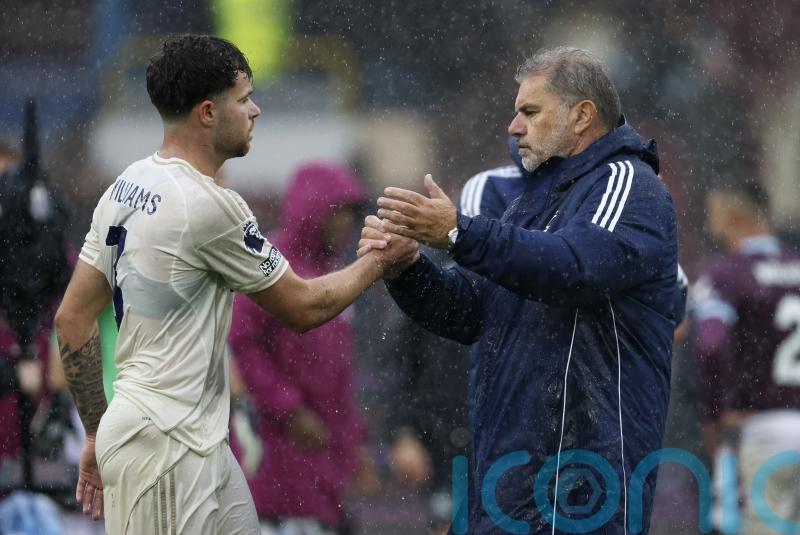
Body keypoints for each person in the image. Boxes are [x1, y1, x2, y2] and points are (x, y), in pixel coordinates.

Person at [53, 34, 415, 534]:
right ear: (207, 112)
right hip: (167, 450)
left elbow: (72, 319)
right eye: (243, 98)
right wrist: (379, 260)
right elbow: (305, 307)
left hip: (190, 443)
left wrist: (97, 431)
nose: (256, 110)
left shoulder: (125, 185)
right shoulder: (209, 205)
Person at [359, 47, 680, 533]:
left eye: (530, 112)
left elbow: (575, 268)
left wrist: (459, 233)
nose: (513, 127)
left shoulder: (627, 183)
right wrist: (407, 268)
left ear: (581, 116)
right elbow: (469, 314)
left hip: (579, 488)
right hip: (506, 486)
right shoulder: (532, 203)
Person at [228, 162, 378, 535]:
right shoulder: (268, 264)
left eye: (350, 215)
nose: (346, 224)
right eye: (338, 213)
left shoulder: (335, 275)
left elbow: (340, 376)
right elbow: (240, 344)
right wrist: (288, 409)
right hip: (273, 462)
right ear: (314, 211)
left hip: (320, 469)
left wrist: (352, 441)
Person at [692, 182, 800, 534]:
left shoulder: (727, 274)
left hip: (760, 427)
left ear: (731, 216)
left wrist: (716, 413)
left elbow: (710, 345)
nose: (711, 227)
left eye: (713, 216)